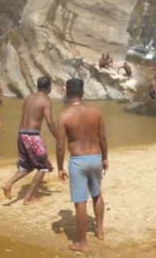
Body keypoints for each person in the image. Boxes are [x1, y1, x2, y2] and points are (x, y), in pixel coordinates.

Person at [56, 78, 108, 252]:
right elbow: (102, 138)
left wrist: (60, 167)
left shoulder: (64, 116)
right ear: (83, 92)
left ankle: (82, 242)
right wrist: (105, 157)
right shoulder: (96, 112)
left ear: (67, 92)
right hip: (95, 157)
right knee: (97, 194)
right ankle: (99, 229)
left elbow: (61, 145)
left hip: (78, 161)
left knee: (80, 201)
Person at [2, 76, 58, 204]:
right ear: (49, 87)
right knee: (43, 167)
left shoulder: (28, 98)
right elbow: (50, 122)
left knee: (26, 166)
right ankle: (27, 198)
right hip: (32, 136)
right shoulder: (46, 100)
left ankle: (8, 183)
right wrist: (58, 136)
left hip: (21, 134)